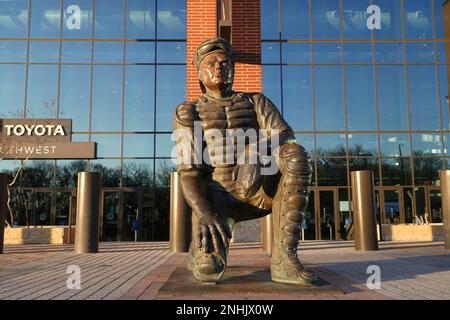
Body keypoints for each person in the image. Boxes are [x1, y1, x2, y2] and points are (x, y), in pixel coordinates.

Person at [173, 37, 316, 285]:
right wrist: (204, 213)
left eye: (225, 63)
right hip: (217, 198)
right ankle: (201, 250)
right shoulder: (189, 111)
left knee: (295, 156)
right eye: (211, 63)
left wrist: (256, 151)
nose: (219, 67)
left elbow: (285, 135)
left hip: (259, 190)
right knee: (209, 270)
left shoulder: (255, 101)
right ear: (200, 71)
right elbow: (189, 173)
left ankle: (284, 260)